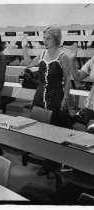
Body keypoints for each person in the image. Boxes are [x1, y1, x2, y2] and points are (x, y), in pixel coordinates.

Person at [21, 25, 71, 179]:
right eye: (44, 38)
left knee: (55, 129)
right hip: (40, 94)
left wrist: (66, 98)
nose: (45, 41)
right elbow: (28, 64)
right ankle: (47, 163)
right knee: (42, 129)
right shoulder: (42, 53)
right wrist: (24, 46)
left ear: (56, 39)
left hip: (56, 96)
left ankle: (55, 163)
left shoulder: (63, 56)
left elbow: (68, 79)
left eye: (48, 38)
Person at [70, 43, 94, 126]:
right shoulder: (93, 60)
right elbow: (78, 76)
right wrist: (71, 59)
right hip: (91, 105)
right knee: (88, 135)